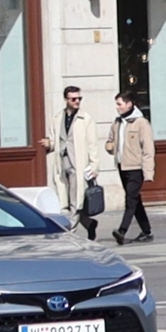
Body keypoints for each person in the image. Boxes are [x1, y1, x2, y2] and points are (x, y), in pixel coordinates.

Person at [43, 84, 101, 239]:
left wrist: (94, 166)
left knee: (76, 201)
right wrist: (50, 143)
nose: (77, 101)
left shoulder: (85, 119)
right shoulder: (57, 118)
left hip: (79, 164)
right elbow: (57, 139)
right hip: (62, 163)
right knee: (65, 200)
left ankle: (70, 234)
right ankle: (89, 223)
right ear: (66, 99)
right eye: (73, 99)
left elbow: (93, 144)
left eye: (79, 98)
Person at [107, 90, 156, 245]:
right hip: (123, 166)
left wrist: (148, 172)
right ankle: (147, 231)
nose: (117, 107)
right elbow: (111, 141)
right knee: (135, 201)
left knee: (130, 200)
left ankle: (122, 230)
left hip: (136, 168)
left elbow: (148, 149)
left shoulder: (141, 123)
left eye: (119, 104)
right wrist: (109, 147)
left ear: (129, 104)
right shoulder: (117, 122)